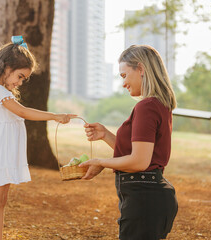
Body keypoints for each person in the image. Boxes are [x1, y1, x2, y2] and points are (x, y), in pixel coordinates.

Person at [0, 36, 75, 240]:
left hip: (4, 150)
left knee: (1, 200)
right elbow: (23, 112)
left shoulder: (2, 90)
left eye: (23, 79)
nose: (19, 82)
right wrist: (54, 116)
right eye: (20, 76)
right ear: (6, 67)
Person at [79, 45, 178, 240]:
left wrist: (100, 162)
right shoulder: (158, 104)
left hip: (144, 201)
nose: (123, 83)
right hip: (151, 197)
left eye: (124, 75)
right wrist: (106, 135)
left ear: (140, 69)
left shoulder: (146, 107)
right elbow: (140, 154)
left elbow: (139, 162)